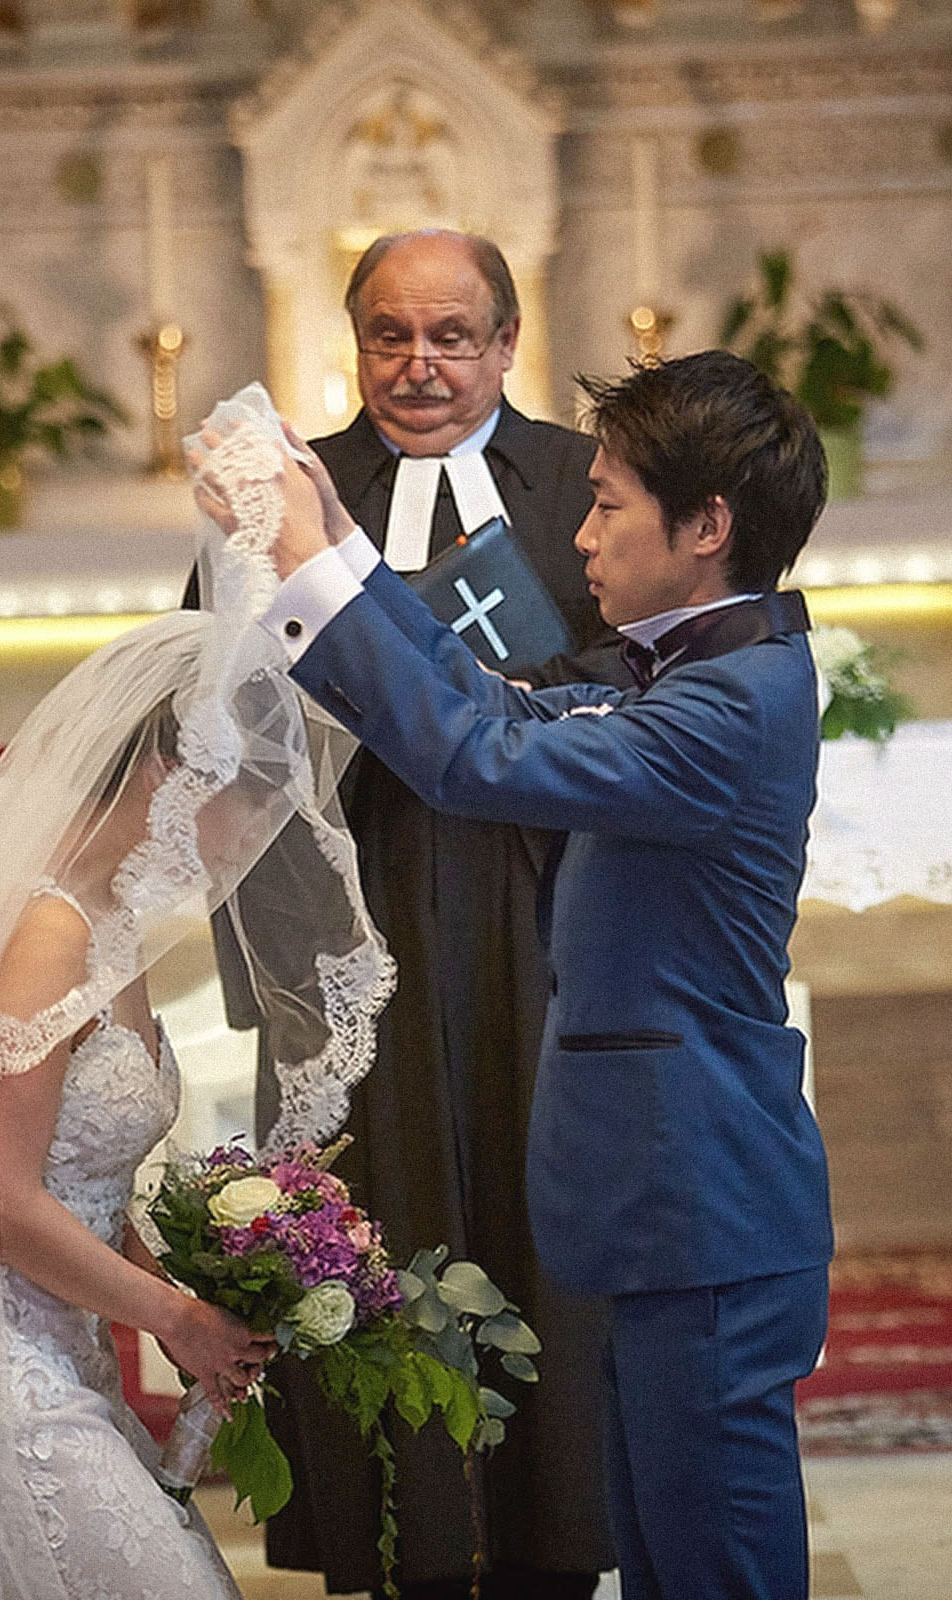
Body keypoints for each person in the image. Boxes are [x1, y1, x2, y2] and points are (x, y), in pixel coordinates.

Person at [216, 350, 833, 1600]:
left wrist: (312, 572)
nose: (582, 533)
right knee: (662, 1548)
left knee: (713, 1559)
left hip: (700, 1199)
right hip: (660, 1201)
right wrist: (342, 544)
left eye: (608, 505)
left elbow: (473, 758)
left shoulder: (728, 705)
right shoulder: (685, 669)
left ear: (707, 526)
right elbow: (484, 696)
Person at [0, 450, 394, 1600]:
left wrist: (192, 1304)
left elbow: (82, 1173)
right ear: (174, 770)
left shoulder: (113, 928)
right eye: (246, 797)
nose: (250, 834)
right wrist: (177, 1311)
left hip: (68, 1353)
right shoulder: (47, 938)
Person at [250, 230, 625, 1599]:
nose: (420, 365)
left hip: (541, 908)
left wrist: (507, 698)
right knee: (374, 1207)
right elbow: (209, 678)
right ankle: (389, 1532)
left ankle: (558, 1528)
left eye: (452, 335)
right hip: (350, 912)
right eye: (390, 336)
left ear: (508, 342)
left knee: (540, 1205)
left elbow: (633, 666)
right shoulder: (296, 493)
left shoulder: (588, 482)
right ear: (351, 344)